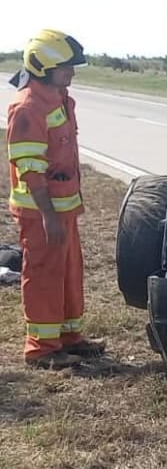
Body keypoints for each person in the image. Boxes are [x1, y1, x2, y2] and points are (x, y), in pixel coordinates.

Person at [7, 29, 103, 369]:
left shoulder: (59, 99)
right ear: (44, 66)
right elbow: (30, 169)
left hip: (63, 208)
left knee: (68, 272)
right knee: (44, 275)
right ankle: (42, 349)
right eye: (66, 67)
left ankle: (68, 338)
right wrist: (47, 215)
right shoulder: (29, 107)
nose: (72, 73)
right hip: (41, 212)